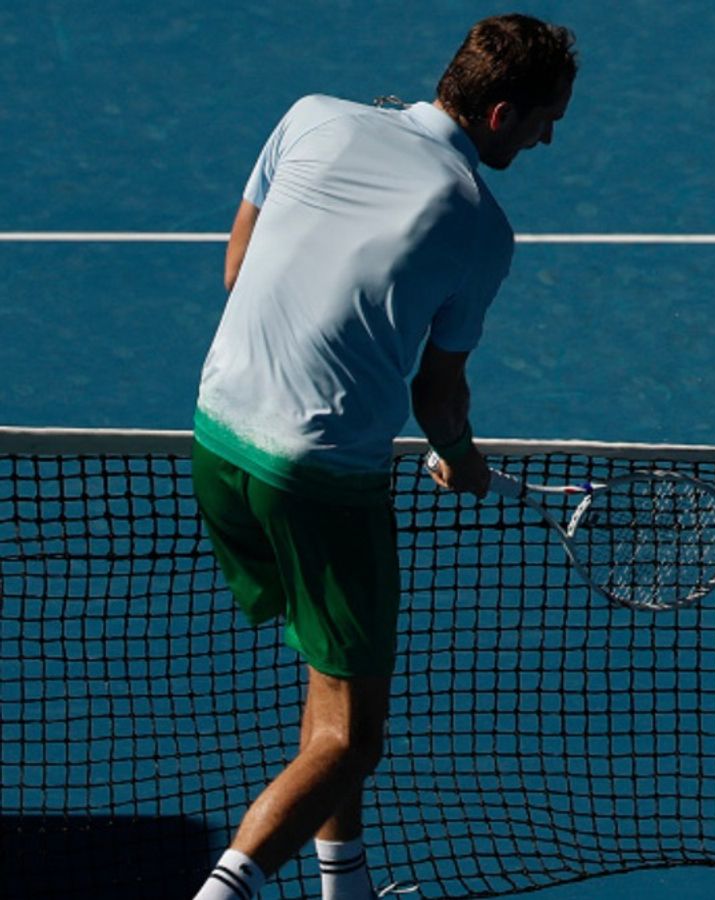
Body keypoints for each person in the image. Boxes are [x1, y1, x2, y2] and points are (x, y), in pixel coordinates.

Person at [187, 14, 576, 900]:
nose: (548, 139)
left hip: (217, 436)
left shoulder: (311, 115)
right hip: (318, 478)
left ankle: (345, 884)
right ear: (502, 114)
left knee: (333, 683)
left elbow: (238, 269)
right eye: (546, 120)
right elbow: (438, 396)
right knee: (352, 740)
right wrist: (460, 458)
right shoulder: (479, 224)